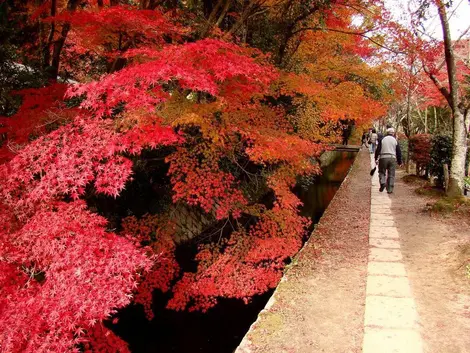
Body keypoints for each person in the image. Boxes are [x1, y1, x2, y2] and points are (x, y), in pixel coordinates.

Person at [375, 127, 402, 194]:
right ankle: (390, 189)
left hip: (383, 158)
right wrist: (399, 161)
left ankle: (383, 182)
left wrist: (376, 158)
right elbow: (398, 151)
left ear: (387, 133)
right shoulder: (395, 140)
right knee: (391, 174)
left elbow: (378, 149)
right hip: (392, 158)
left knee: (381, 172)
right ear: (393, 133)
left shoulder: (382, 139)